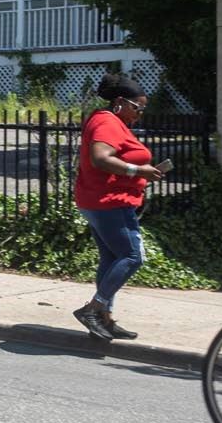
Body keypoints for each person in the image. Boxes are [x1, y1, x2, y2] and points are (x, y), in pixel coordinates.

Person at [72, 73, 172, 343]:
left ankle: (104, 318)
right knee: (131, 255)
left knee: (111, 258)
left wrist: (140, 176)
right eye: (137, 108)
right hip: (109, 203)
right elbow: (100, 158)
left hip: (102, 200)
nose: (140, 113)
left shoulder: (111, 121)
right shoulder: (106, 121)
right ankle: (94, 309)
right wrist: (137, 170)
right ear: (120, 102)